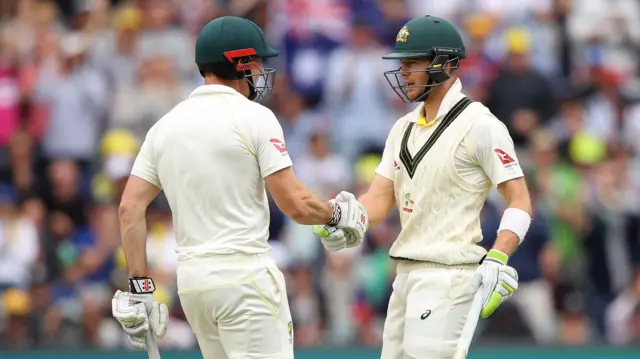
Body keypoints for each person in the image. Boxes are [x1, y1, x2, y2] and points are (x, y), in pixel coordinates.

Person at [110, 16, 368, 359]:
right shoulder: (254, 117)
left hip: (194, 284)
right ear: (240, 62)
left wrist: (140, 288)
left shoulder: (164, 127)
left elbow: (129, 208)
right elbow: (295, 204)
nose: (261, 72)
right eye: (258, 62)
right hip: (244, 279)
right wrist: (336, 213)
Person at [314, 15, 532, 358]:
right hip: (404, 276)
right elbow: (379, 198)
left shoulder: (480, 124)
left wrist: (499, 255)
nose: (403, 71)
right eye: (402, 62)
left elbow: (519, 199)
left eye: (413, 62)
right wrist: (346, 216)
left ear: (446, 63)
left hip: (449, 275)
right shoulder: (402, 128)